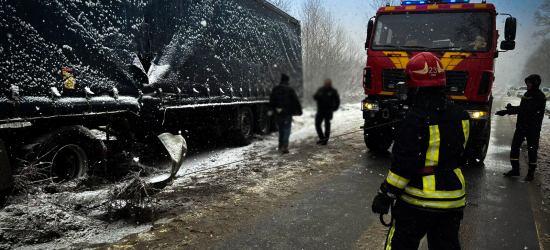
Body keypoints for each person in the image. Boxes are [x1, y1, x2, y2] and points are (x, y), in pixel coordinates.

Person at [371, 52, 471, 250]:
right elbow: (462, 155)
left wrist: (386, 194)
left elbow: (403, 166)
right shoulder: (462, 115)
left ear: (412, 83)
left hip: (418, 201)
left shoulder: (415, 119)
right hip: (453, 200)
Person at [496, 74, 547, 181]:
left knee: (532, 150)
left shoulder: (539, 96)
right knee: (514, 147)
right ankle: (515, 169)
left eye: (530, 82)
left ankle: (530, 173)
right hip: (521, 127)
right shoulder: (527, 94)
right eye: (527, 82)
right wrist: (511, 108)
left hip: (533, 129)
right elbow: (522, 108)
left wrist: (507, 112)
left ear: (536, 83)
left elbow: (527, 110)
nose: (527, 84)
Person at [269, 74, 303, 154]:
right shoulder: (290, 89)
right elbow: (295, 100)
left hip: (279, 111)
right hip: (288, 111)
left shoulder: (275, 89)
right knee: (286, 128)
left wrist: (274, 110)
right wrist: (299, 110)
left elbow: (272, 101)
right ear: (287, 80)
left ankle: (280, 144)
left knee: (281, 128)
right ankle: (285, 146)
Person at [313, 79, 340, 145]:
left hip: (328, 111)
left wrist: (334, 108)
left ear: (330, 84)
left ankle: (325, 140)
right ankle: (321, 137)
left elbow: (337, 101)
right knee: (317, 124)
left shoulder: (333, 91)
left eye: (328, 83)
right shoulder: (321, 89)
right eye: (326, 83)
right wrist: (318, 95)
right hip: (320, 111)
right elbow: (315, 97)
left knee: (327, 125)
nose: (327, 85)